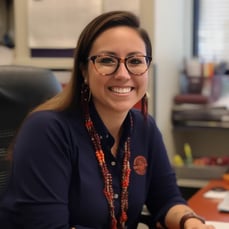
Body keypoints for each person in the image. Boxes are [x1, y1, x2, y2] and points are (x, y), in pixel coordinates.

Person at [0, 11, 215, 229]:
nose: (123, 74)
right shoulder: (46, 130)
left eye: (135, 61)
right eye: (107, 60)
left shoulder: (144, 127)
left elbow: (167, 199)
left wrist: (189, 221)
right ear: (84, 70)